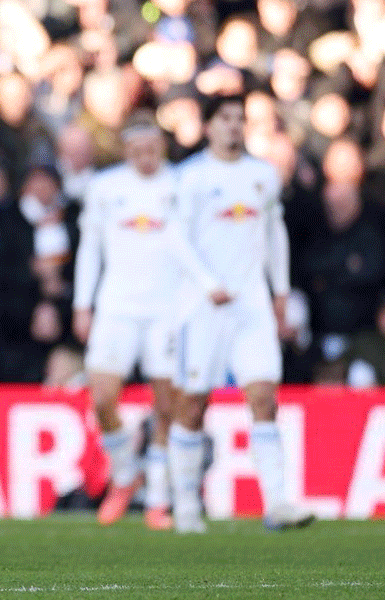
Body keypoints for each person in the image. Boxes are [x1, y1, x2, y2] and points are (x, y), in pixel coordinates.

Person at [72, 115, 228, 531]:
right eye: (138, 151)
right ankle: (124, 473)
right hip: (116, 307)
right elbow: (90, 249)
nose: (146, 158)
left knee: (166, 405)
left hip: (169, 310)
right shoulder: (105, 188)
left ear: (163, 147)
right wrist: (82, 305)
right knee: (103, 396)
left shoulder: (181, 185)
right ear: (126, 151)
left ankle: (158, 498)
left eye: (153, 150)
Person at [170, 93, 314, 534]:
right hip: (203, 308)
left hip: (252, 304)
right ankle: (186, 505)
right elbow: (176, 238)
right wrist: (210, 285)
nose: (233, 126)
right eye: (225, 119)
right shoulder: (191, 176)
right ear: (209, 126)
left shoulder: (262, 174)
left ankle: (277, 504)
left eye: (239, 119)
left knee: (264, 398)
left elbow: (275, 235)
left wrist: (281, 290)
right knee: (194, 406)